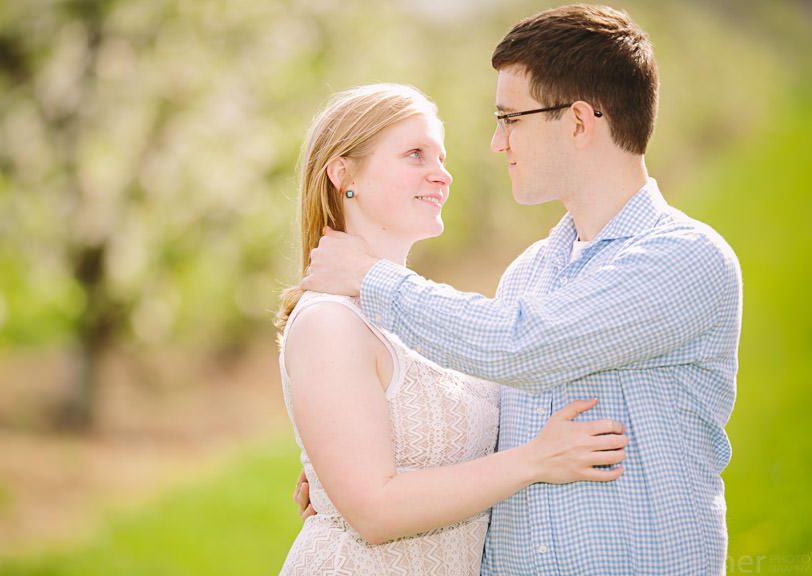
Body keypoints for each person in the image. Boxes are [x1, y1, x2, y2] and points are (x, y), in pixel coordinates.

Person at [299, 5, 743, 576]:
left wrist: (370, 276)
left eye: (510, 119)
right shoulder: (528, 273)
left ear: (578, 122)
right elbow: (484, 419)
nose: (497, 142)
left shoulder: (683, 258)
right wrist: (343, 456)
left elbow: (522, 345)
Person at [275, 83, 628, 575]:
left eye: (441, 157)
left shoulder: (415, 314)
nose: (441, 174)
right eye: (415, 155)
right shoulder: (329, 321)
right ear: (343, 174)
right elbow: (375, 511)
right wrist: (536, 460)